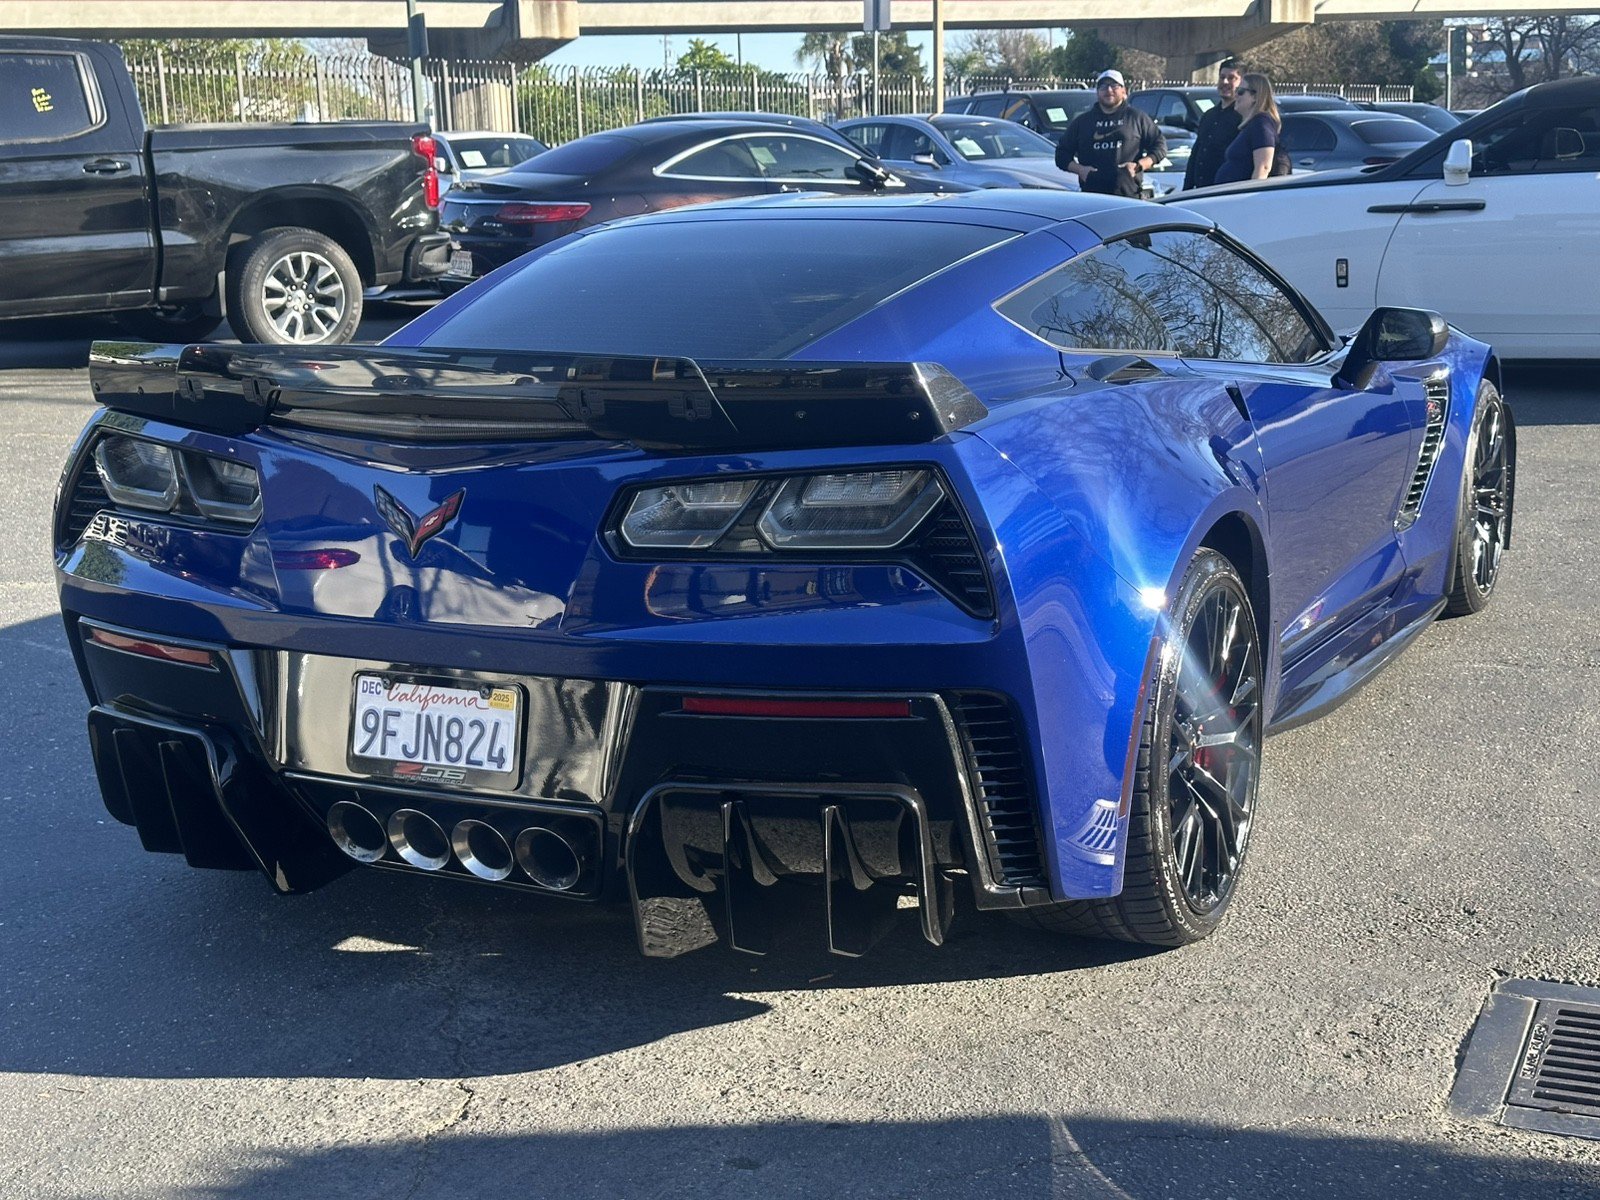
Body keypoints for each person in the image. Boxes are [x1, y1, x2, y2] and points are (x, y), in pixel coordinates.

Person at [1055, 69, 1166, 198]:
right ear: (1097, 93)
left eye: (1114, 86)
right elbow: (1061, 155)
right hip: (1092, 197)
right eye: (1103, 87)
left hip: (1128, 197)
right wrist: (1080, 170)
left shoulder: (1136, 118)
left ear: (1124, 90)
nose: (1108, 90)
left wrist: (1139, 166)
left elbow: (1160, 146)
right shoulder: (1083, 122)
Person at [1182, 59, 1244, 190]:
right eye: (1222, 77)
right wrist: (1187, 187)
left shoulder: (1243, 118)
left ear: (1242, 83)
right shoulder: (1209, 116)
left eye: (1231, 78)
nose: (1225, 82)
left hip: (1224, 191)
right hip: (1200, 189)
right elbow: (1196, 153)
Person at [1213, 72, 1281, 185]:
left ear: (1255, 96)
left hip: (1242, 198)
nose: (1235, 96)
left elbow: (1263, 168)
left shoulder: (1261, 123)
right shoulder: (1252, 124)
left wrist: (1249, 198)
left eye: (1240, 92)